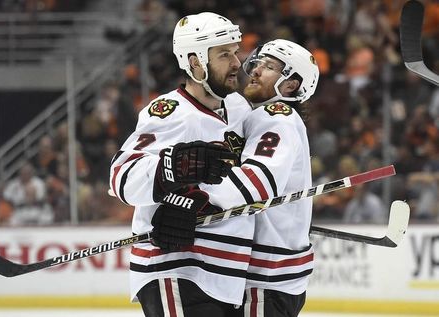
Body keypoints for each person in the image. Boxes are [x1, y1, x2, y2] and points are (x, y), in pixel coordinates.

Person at [157, 39, 320, 316]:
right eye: (256, 63)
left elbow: (257, 181)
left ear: (291, 85)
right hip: (276, 276)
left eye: (269, 67)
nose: (255, 70)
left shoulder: (276, 117)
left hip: (266, 277)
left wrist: (195, 201)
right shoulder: (269, 118)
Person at [109, 12, 255, 317]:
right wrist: (173, 167)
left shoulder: (239, 108)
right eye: (224, 54)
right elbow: (121, 176)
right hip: (175, 268)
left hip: (226, 276)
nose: (236, 63)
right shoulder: (171, 112)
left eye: (235, 52)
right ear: (195, 62)